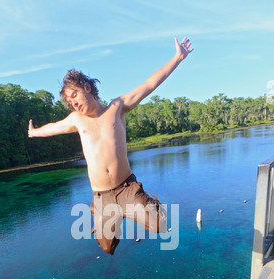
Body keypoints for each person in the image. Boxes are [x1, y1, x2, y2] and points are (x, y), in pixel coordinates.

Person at [28, 37, 193, 254]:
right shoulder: (76, 119)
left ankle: (151, 200)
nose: (73, 102)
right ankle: (109, 218)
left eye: (74, 95)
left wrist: (178, 58)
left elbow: (149, 84)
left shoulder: (117, 107)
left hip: (127, 188)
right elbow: (53, 127)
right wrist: (34, 132)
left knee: (160, 226)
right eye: (69, 101)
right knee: (107, 247)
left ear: (86, 87)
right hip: (101, 196)